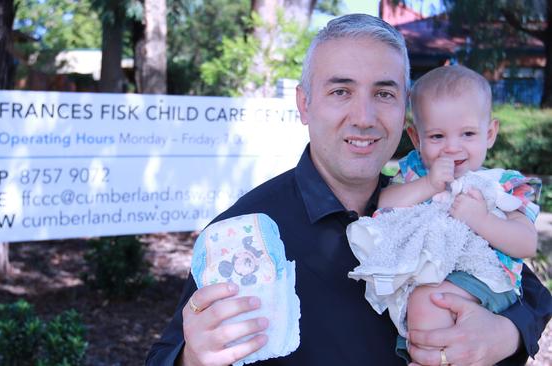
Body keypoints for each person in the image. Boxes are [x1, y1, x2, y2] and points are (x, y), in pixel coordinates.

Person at [147, 14, 552, 366]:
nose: (364, 117)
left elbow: (532, 294)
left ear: (404, 111)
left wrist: (503, 335)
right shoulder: (245, 232)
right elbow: (167, 356)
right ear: (304, 104)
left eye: (384, 93)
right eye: (341, 91)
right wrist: (195, 359)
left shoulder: (436, 202)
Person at [346, 64, 542, 360]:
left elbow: (526, 243)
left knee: (429, 302)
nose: (452, 147)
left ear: (489, 133)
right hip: (428, 273)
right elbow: (383, 203)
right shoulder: (415, 172)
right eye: (437, 137)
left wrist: (481, 219)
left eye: (467, 133)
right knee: (424, 311)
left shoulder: (500, 185)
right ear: (416, 137)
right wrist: (429, 184)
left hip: (486, 278)